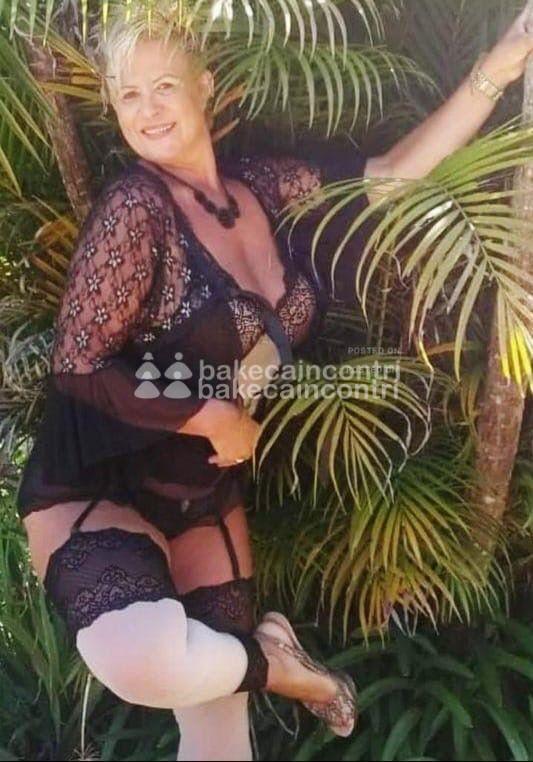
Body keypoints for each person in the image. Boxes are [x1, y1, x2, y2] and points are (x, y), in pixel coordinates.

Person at [15, 4, 533, 760]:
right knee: (143, 661)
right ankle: (282, 668)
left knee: (218, 734)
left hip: (201, 492)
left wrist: (499, 67)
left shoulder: (262, 185)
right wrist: (211, 416)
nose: (149, 109)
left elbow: (389, 177)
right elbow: (78, 364)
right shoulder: (135, 208)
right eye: (129, 95)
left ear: (204, 86)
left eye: (164, 86)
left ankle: (265, 662)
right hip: (97, 479)